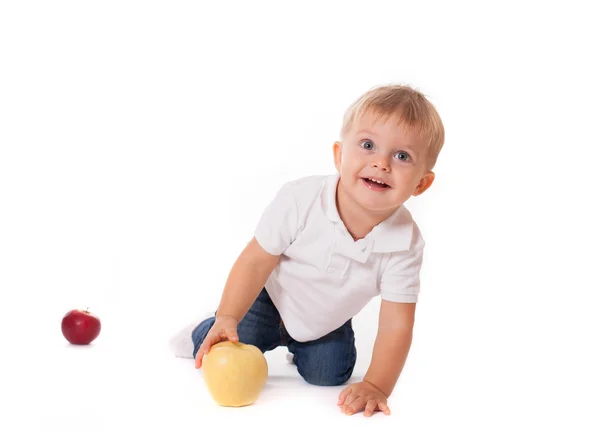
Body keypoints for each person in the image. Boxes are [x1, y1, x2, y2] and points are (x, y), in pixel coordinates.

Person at [169, 84, 445, 417]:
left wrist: (376, 385)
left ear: (420, 184)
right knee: (217, 343)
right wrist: (229, 316)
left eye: (402, 156)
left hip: (325, 323)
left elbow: (396, 325)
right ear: (340, 155)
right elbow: (256, 261)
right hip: (269, 299)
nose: (381, 163)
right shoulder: (301, 200)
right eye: (368, 145)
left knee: (330, 375)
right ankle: (205, 328)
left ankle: (299, 349)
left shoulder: (405, 244)